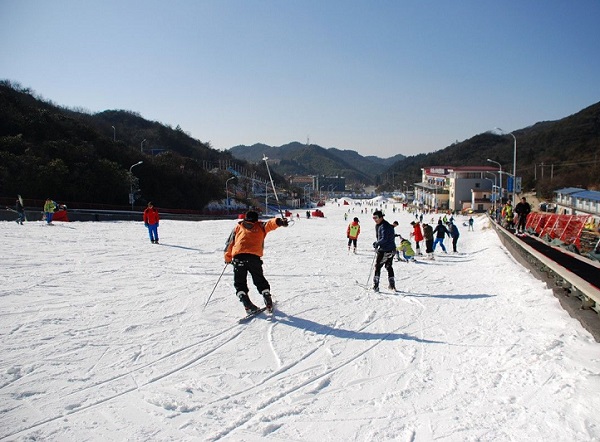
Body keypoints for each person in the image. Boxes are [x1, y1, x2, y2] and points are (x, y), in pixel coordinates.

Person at [224, 210, 288, 314]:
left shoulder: (238, 227)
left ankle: (246, 303)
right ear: (256, 219)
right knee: (259, 279)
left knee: (240, 282)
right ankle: (266, 296)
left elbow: (229, 243)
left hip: (238, 257)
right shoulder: (261, 226)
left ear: (245, 218)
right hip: (254, 257)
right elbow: (271, 224)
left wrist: (227, 258)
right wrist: (280, 222)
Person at [371, 210, 396, 292]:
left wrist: (377, 243)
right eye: (373, 218)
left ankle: (376, 286)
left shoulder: (383, 226)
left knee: (378, 266)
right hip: (391, 249)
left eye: (376, 218)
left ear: (381, 217)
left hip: (385, 249)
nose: (375, 219)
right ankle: (392, 285)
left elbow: (384, 238)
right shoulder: (382, 225)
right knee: (388, 266)